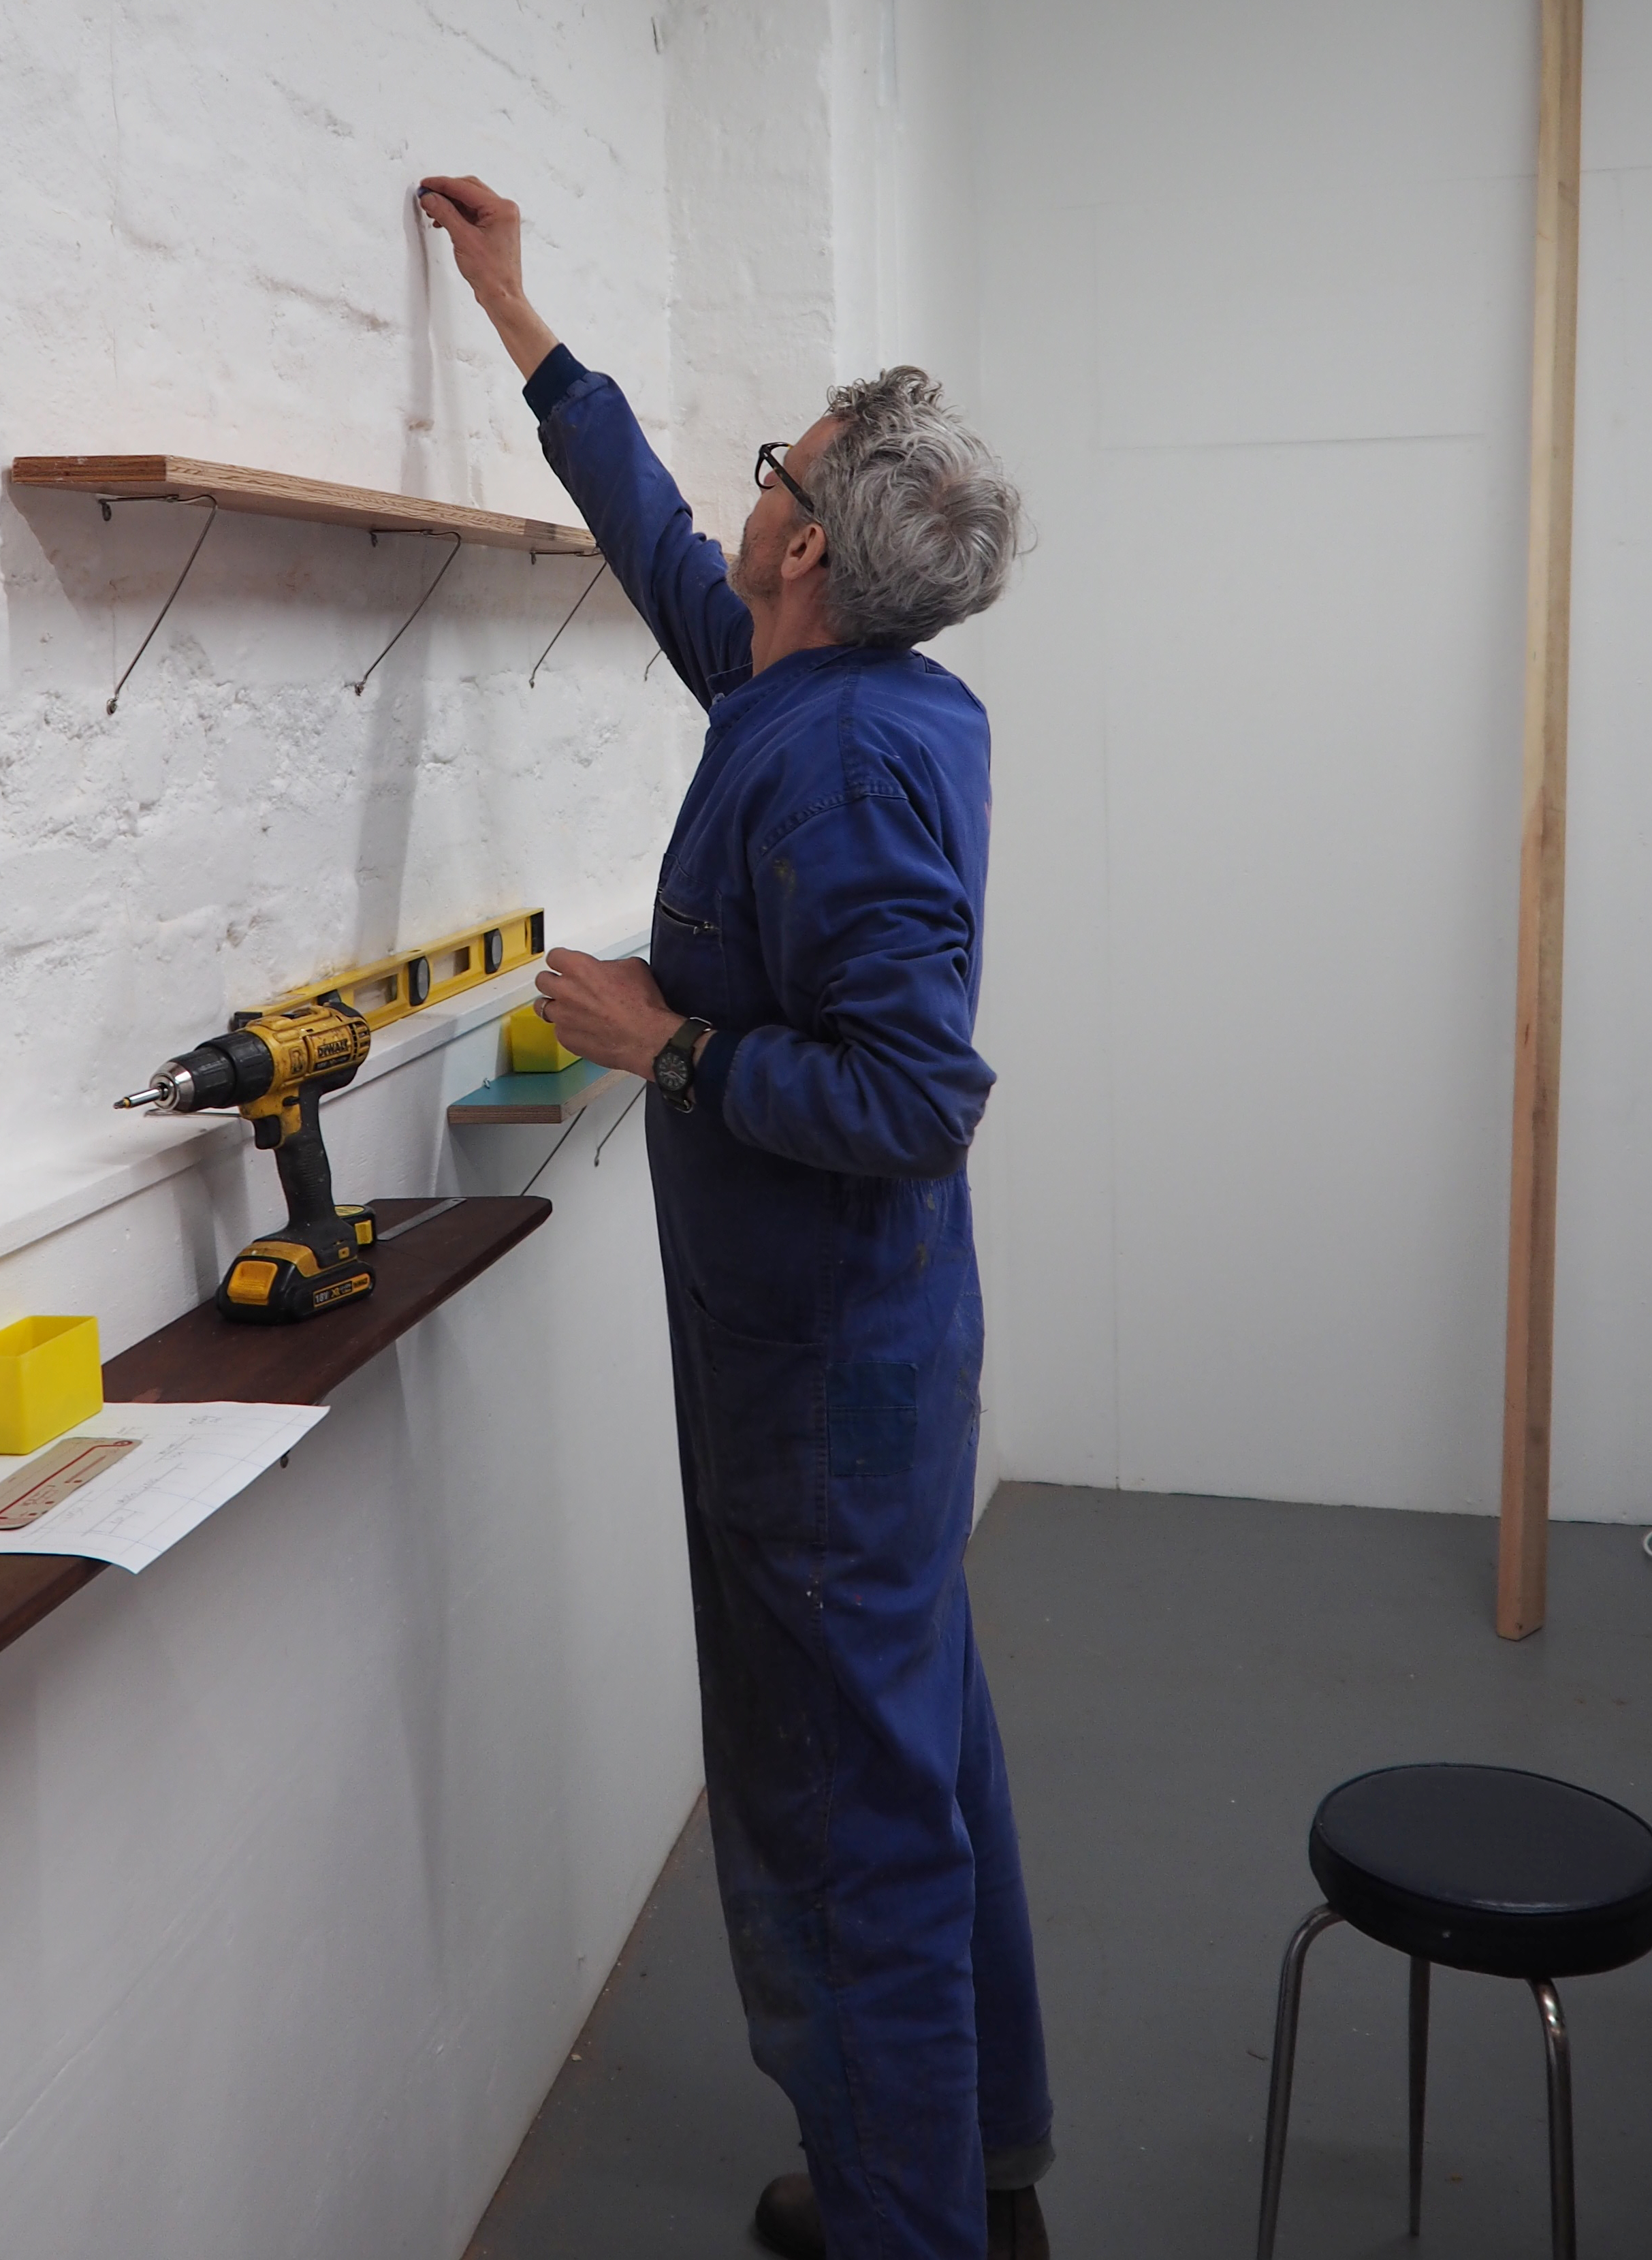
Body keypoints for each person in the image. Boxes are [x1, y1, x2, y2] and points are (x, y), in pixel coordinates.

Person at [417, 176, 1053, 2260]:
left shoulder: (845, 765)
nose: (747, 487)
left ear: (807, 539)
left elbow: (911, 1098)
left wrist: (662, 1041)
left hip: (827, 1377)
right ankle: (979, 2154)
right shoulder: (815, 686)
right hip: (843, 1356)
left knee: (841, 1811)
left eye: (766, 465)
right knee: (916, 1745)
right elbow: (666, 563)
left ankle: (903, 2224)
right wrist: (523, 327)